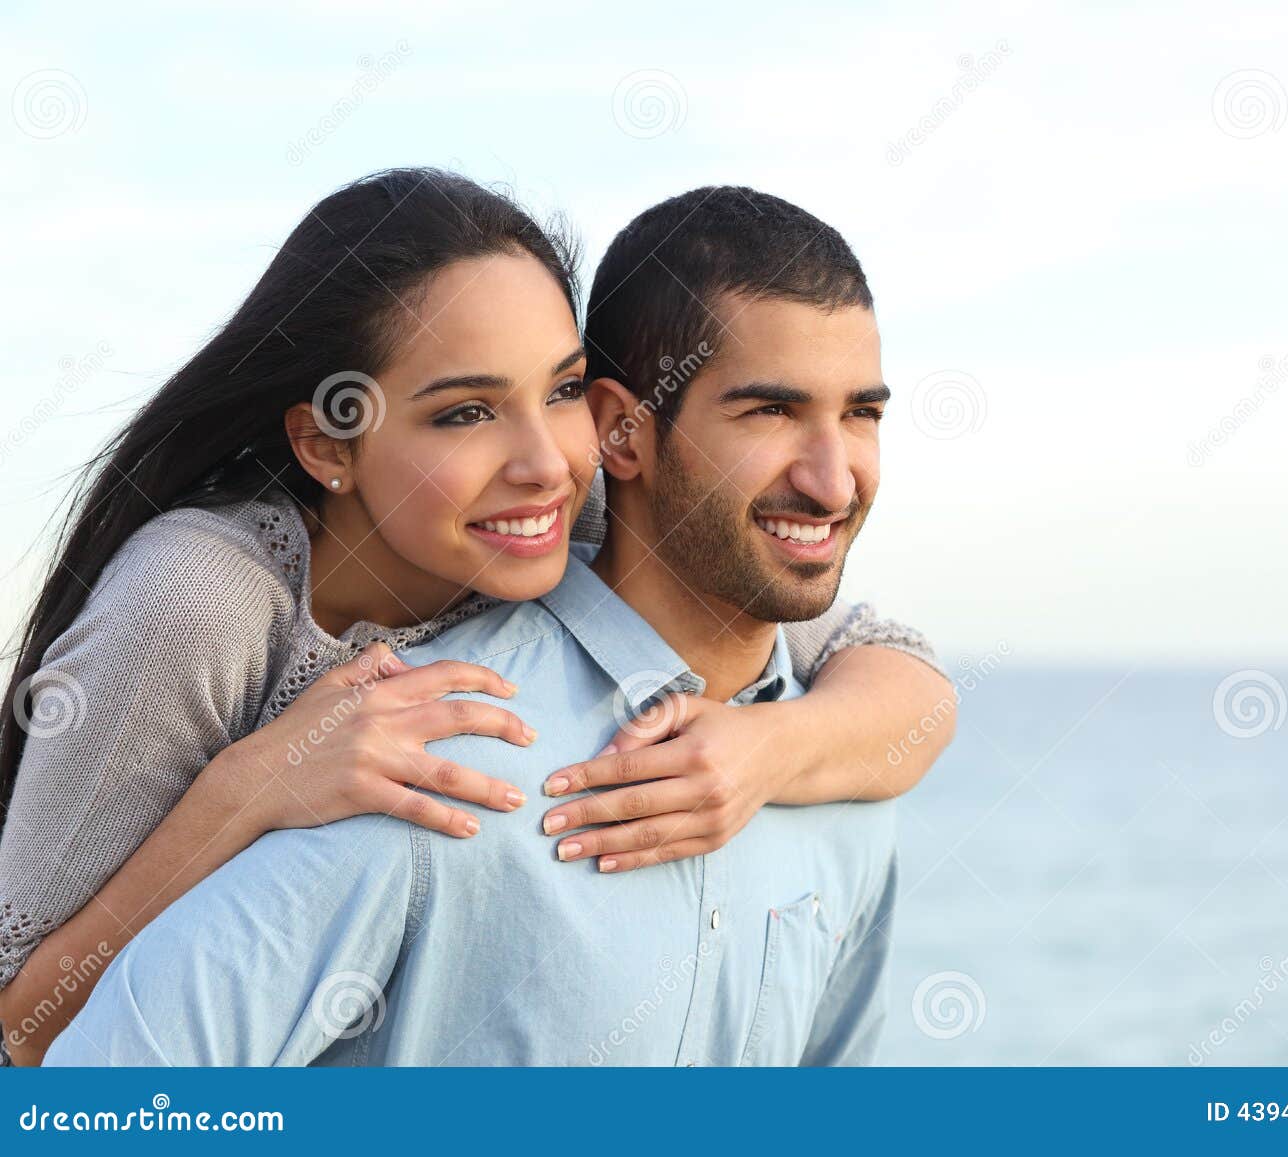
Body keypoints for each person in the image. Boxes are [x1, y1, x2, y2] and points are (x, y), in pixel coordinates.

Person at [0, 171, 953, 1064]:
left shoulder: (557, 516)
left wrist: (761, 753)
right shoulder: (200, 601)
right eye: (465, 413)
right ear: (329, 443)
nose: (544, 457)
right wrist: (251, 791)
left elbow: (892, 674)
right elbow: (26, 1027)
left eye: (564, 389)